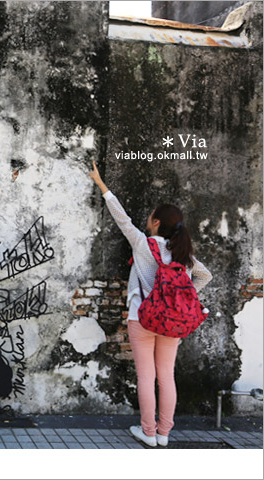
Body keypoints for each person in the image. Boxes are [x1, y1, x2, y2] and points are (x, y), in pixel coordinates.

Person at [89, 160, 212, 447]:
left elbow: (121, 218)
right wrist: (184, 297)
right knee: (166, 377)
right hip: (173, 323)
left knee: (146, 376)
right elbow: (206, 276)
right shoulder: (182, 253)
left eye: (150, 216)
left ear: (156, 222)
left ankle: (147, 432)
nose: (146, 218)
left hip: (142, 318)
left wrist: (101, 184)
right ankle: (164, 434)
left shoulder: (143, 244)